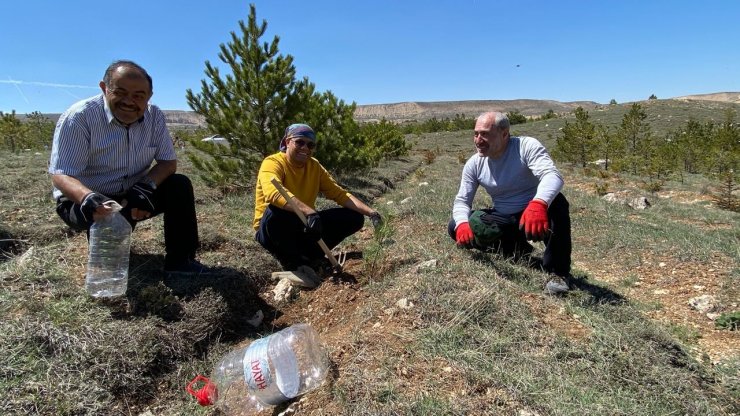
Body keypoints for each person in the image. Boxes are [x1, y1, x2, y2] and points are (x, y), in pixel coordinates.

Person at [49, 60, 207, 275]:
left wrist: (144, 188)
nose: (129, 101)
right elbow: (62, 174)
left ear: (149, 97)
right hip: (84, 199)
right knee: (109, 264)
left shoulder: (155, 117)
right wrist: (89, 198)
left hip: (133, 193)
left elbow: (168, 163)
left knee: (178, 185)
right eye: (120, 92)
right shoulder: (80, 117)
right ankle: (105, 235)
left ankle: (181, 262)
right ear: (104, 89)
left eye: (138, 96)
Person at [448, 111, 572, 294]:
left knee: (558, 205)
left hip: (535, 216)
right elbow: (462, 200)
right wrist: (462, 224)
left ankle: (558, 272)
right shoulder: (474, 164)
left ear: (504, 133)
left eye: (485, 134)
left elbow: (552, 176)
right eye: (475, 134)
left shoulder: (525, 146)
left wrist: (538, 204)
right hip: (505, 217)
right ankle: (518, 251)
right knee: (454, 226)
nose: (478, 140)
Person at [254, 123, 382, 275]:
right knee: (276, 212)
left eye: (310, 145)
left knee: (354, 218)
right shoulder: (273, 162)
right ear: (288, 142)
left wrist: (372, 213)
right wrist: (310, 212)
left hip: (303, 223)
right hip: (272, 231)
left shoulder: (314, 167)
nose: (305, 148)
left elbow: (338, 193)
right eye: (300, 142)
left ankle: (310, 255)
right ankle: (293, 261)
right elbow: (273, 193)